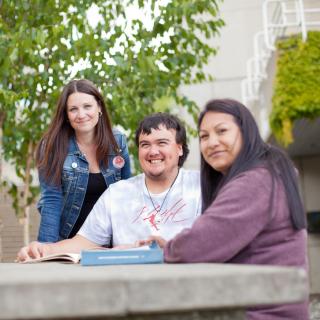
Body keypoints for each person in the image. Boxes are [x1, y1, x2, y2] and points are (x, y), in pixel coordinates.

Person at [144, 99, 309, 320]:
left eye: (222, 131)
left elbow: (199, 244)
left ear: (246, 132)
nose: (212, 143)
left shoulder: (256, 181)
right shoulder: (269, 172)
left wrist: (171, 248)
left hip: (260, 313)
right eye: (204, 136)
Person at [17, 113, 201, 259]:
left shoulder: (202, 187)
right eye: (145, 144)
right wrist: (44, 249)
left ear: (180, 148)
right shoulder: (117, 193)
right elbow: (84, 242)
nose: (153, 151)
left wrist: (171, 248)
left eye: (162, 143)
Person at [36, 79, 131, 243]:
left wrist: (128, 241)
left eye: (87, 106)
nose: (81, 114)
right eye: (73, 109)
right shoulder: (52, 145)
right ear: (66, 115)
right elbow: (51, 200)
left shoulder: (117, 142)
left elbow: (126, 193)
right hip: (67, 242)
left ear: (99, 107)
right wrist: (47, 250)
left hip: (110, 242)